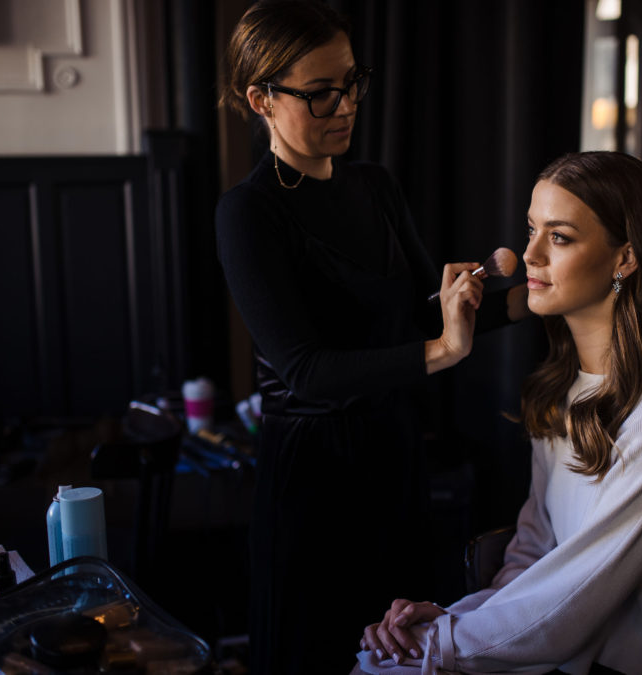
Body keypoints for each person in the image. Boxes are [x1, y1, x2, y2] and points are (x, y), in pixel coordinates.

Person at [356, 151, 642, 674]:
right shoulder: (561, 390)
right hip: (575, 657)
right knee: (375, 660)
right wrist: (452, 618)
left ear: (625, 259)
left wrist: (445, 640)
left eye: (560, 237)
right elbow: (535, 554)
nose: (529, 255)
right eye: (531, 230)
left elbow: (579, 588)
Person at [214, 2, 528, 673]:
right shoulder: (247, 212)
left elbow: (421, 317)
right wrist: (445, 350)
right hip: (313, 482)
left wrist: (527, 299)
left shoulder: (376, 187)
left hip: (394, 460)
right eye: (321, 91)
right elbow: (306, 369)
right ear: (260, 98)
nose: (344, 104)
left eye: (352, 82)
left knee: (400, 654)